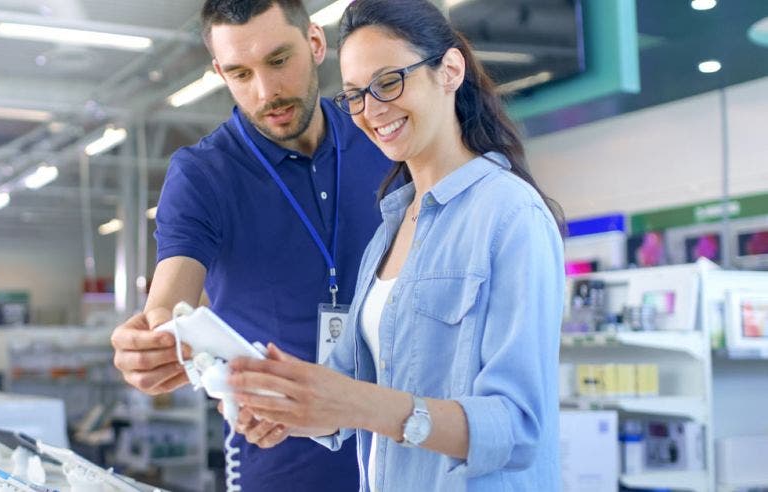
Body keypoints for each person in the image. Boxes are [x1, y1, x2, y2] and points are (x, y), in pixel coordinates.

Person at [227, 0, 566, 490]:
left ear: (449, 70)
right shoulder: (387, 231)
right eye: (355, 96)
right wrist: (289, 403)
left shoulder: (511, 215)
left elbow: (516, 428)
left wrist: (359, 403)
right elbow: (348, 397)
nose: (371, 111)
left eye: (388, 82)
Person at [109, 1, 395, 490]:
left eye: (279, 61)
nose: (266, 92)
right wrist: (156, 342)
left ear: (315, 43)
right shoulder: (203, 175)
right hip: (275, 453)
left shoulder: (379, 135)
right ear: (219, 72)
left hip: (399, 439)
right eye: (240, 73)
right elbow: (169, 305)